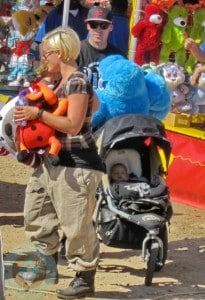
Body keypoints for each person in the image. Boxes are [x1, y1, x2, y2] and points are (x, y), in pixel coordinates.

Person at [14, 26, 105, 299]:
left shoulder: (76, 81)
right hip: (52, 160)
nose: (44, 57)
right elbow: (96, 106)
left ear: (61, 52)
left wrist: (38, 114)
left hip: (75, 163)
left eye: (46, 53)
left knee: (76, 225)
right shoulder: (62, 82)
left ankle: (84, 277)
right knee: (37, 214)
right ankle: (46, 266)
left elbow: (74, 126)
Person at [77, 5, 127, 89]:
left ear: (111, 27)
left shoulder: (118, 57)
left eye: (103, 25)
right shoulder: (76, 51)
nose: (98, 30)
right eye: (93, 25)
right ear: (88, 26)